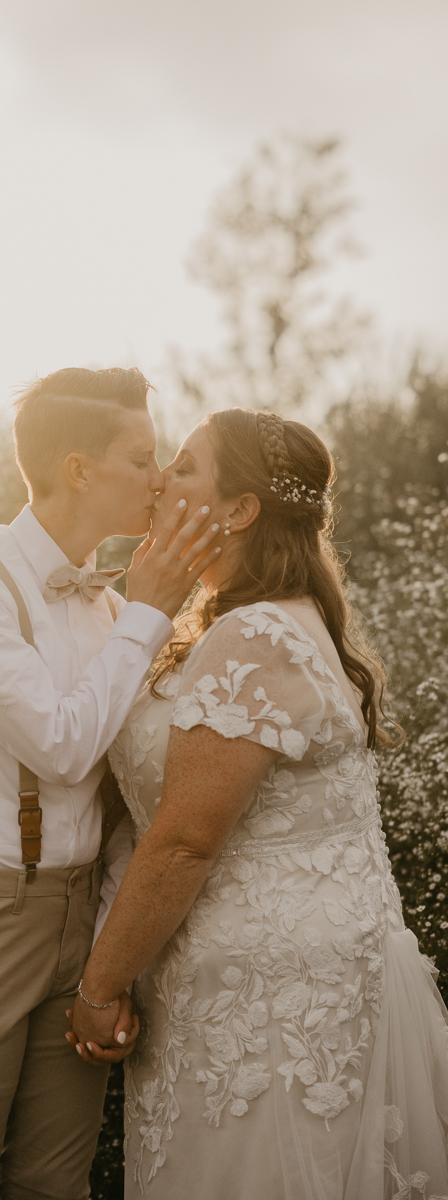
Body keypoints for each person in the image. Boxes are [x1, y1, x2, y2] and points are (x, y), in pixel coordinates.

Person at [68, 408, 448, 1198]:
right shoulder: (277, 625)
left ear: (239, 510)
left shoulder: (251, 640)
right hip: (303, 973)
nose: (164, 477)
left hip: (266, 1006)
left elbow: (183, 841)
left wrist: (99, 986)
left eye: (185, 465)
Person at [0, 366, 220, 1200]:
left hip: (83, 921)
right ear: (79, 470)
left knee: (56, 1188)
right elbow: (62, 748)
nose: (159, 477)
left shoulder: (111, 610)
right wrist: (150, 613)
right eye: (141, 456)